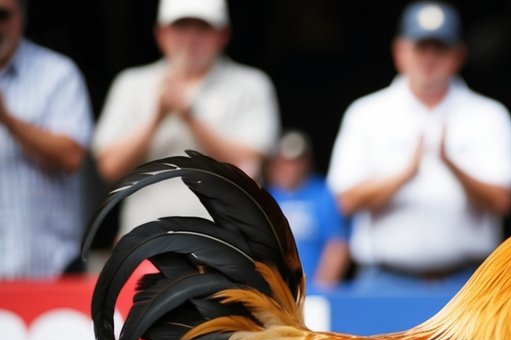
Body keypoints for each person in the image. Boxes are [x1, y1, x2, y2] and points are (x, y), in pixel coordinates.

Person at [327, 1, 511, 293]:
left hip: (468, 282)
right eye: (420, 47)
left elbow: (503, 202)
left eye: (439, 48)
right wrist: (406, 173)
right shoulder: (366, 112)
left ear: (457, 56)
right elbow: (346, 200)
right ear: (400, 52)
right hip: (383, 282)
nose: (429, 58)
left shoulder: (489, 114)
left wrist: (452, 164)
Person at [91, 0, 279, 238]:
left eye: (203, 27)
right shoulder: (131, 83)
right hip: (144, 241)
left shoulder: (252, 84)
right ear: (161, 33)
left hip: (228, 246)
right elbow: (109, 168)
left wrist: (191, 116)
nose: (191, 38)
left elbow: (249, 169)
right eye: (181, 26)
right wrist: (157, 118)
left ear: (223, 34)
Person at [0, 0, 93, 279]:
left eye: (2, 14)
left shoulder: (57, 74)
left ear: (21, 16)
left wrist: (8, 120)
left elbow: (71, 156)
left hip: (48, 276)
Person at [264, 129, 350, 291]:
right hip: (273, 293)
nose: (291, 168)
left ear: (308, 162)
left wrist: (319, 291)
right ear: (273, 163)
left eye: (297, 161)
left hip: (312, 290)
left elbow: (337, 245)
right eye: (285, 161)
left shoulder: (323, 195)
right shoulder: (264, 196)